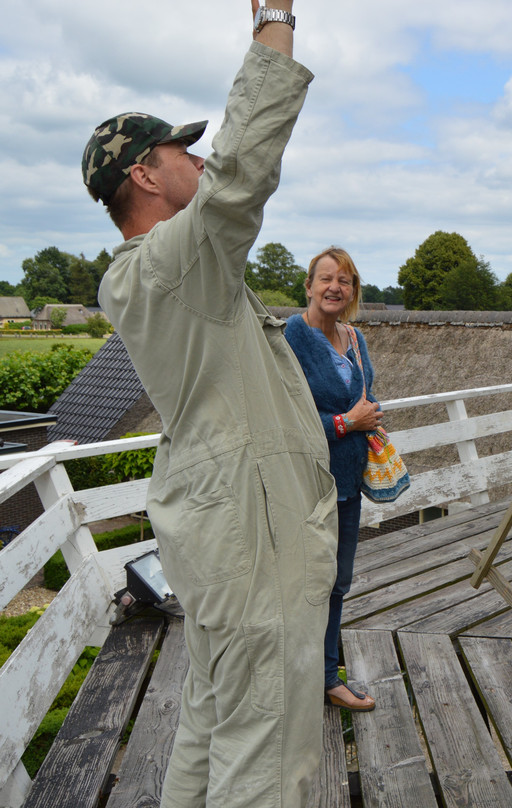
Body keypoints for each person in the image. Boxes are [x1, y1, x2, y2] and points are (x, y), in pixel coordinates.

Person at [82, 3, 338, 806]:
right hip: (253, 535)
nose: (195, 158)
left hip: (224, 534)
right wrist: (275, 19)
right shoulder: (167, 264)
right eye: (177, 148)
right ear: (145, 177)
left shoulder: (165, 274)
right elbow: (244, 169)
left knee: (221, 715)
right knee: (269, 746)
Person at [285, 247, 382, 711]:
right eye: (326, 278)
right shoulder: (292, 337)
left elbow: (365, 395)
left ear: (353, 291)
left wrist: (371, 418)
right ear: (309, 285)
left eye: (344, 280)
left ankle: (324, 677)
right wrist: (348, 423)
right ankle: (302, 675)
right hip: (306, 484)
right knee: (305, 583)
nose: (334, 288)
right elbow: (284, 420)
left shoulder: (355, 337)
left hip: (347, 482)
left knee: (338, 583)